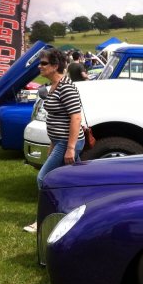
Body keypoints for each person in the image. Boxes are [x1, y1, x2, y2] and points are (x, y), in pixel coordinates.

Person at [24, 49, 85, 233]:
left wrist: (70, 148)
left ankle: (42, 221)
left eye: (43, 63)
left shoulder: (66, 87)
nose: (39, 66)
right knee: (78, 182)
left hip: (67, 143)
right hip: (59, 141)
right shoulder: (53, 86)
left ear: (55, 66)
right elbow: (57, 119)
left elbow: (75, 118)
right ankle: (77, 214)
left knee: (44, 179)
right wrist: (52, 144)